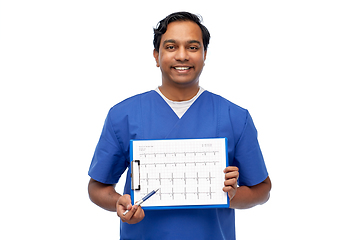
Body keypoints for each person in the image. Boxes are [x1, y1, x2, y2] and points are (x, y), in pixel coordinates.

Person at [88, 11, 271, 240]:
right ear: (156, 56)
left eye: (193, 47)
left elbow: (262, 190)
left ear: (205, 54)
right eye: (171, 47)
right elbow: (96, 188)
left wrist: (230, 195)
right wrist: (119, 202)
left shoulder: (234, 116)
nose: (182, 56)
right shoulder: (123, 115)